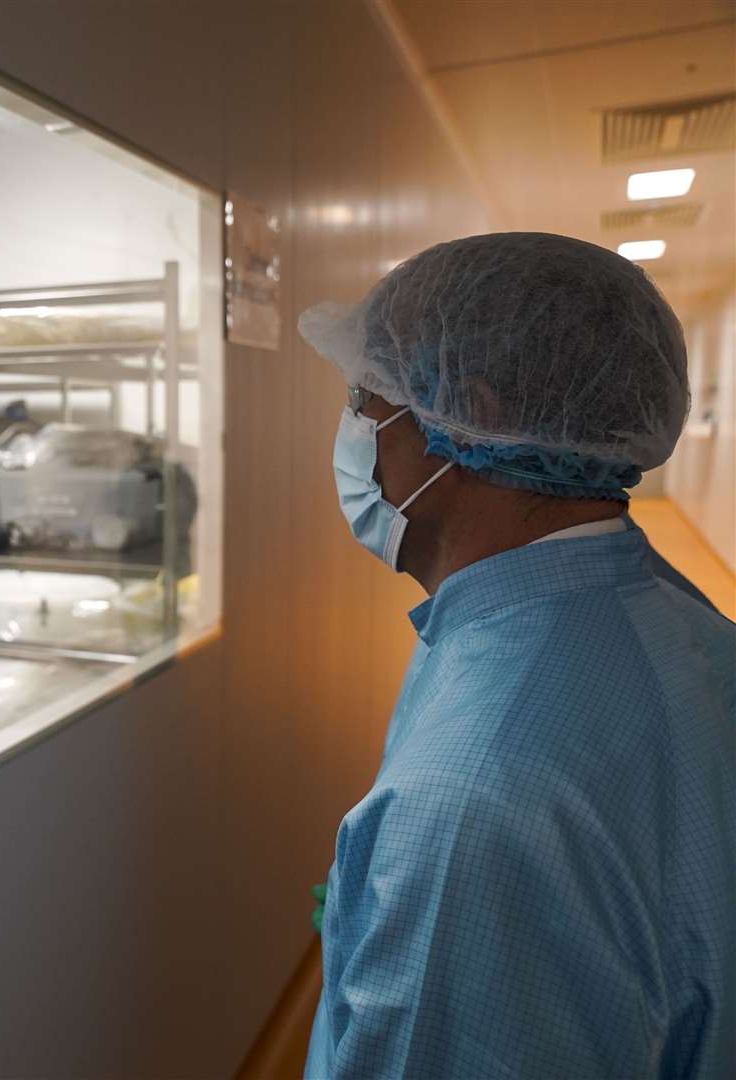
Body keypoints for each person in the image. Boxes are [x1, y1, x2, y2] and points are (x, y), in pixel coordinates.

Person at [298, 233, 734, 1080]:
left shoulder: (470, 807)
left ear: (477, 413)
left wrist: (434, 899)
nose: (353, 429)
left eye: (367, 397)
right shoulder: (664, 616)